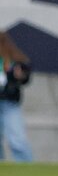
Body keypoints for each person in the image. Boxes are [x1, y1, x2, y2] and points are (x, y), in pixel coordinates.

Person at [0, 30, 33, 162]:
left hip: (9, 104)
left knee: (17, 140)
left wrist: (19, 75)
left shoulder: (14, 60)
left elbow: (25, 76)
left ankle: (26, 169)